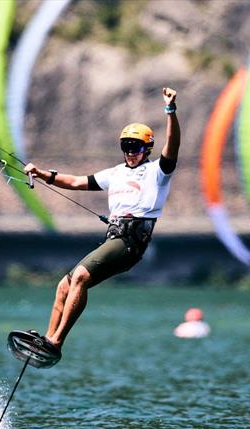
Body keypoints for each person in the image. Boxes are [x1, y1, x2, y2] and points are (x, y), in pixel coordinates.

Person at [22, 86, 180, 363]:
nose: (131, 152)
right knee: (64, 285)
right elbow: (74, 182)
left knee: (80, 277)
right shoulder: (115, 174)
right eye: (126, 147)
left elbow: (173, 146)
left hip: (131, 243)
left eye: (137, 147)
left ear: (147, 149)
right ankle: (46, 341)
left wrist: (170, 111)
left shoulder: (157, 172)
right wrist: (41, 173)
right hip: (113, 240)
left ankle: (56, 342)